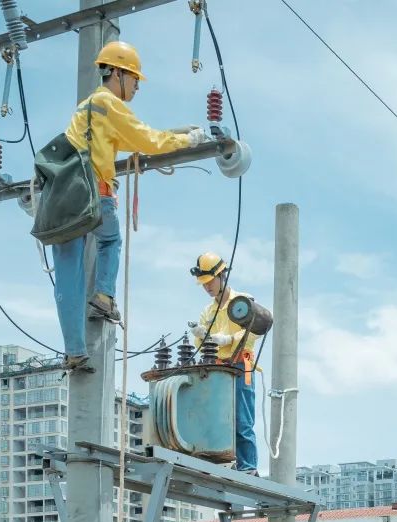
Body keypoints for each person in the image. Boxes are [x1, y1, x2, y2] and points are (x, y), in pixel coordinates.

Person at [53, 41, 206, 369]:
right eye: (134, 78)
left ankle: (74, 350)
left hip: (61, 197)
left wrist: (169, 133)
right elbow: (147, 140)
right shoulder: (109, 103)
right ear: (118, 73)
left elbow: (124, 139)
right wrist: (186, 140)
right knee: (109, 240)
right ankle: (104, 297)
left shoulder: (85, 108)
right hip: (95, 193)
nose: (137, 86)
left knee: (68, 272)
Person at [190, 252, 259, 474]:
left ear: (223, 276)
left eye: (210, 282)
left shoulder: (243, 301)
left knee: (242, 418)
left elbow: (254, 331)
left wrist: (229, 339)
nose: (207, 287)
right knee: (218, 417)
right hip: (219, 367)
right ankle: (223, 463)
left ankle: (248, 467)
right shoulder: (207, 312)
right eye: (204, 284)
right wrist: (201, 335)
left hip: (243, 364)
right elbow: (199, 345)